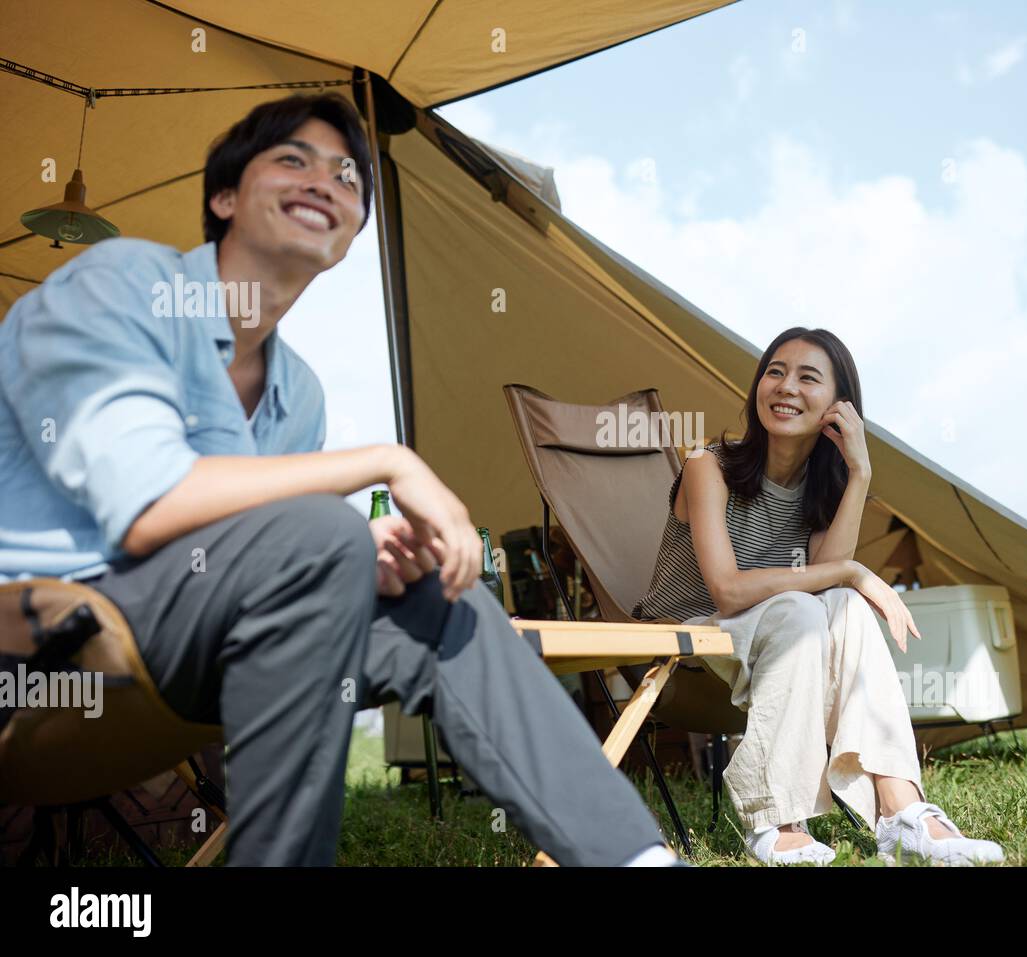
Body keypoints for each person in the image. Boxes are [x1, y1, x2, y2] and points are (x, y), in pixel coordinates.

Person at [0, 92, 679, 867]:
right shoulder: (124, 283)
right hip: (37, 651)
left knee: (433, 602)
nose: (326, 179)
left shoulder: (300, 394)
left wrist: (366, 553)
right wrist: (387, 464)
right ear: (224, 197)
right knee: (320, 533)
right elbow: (150, 505)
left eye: (349, 175)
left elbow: (244, 551)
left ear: (353, 233)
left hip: (177, 645)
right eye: (293, 159)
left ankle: (638, 860)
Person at [632, 327, 1005, 866]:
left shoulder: (817, 488)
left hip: (779, 643)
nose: (785, 387)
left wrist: (860, 471)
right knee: (806, 605)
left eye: (808, 378)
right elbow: (729, 590)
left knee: (837, 605)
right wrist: (853, 571)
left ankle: (901, 807)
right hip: (689, 645)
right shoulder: (706, 465)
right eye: (775, 372)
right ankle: (775, 818)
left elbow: (830, 579)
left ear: (839, 407)